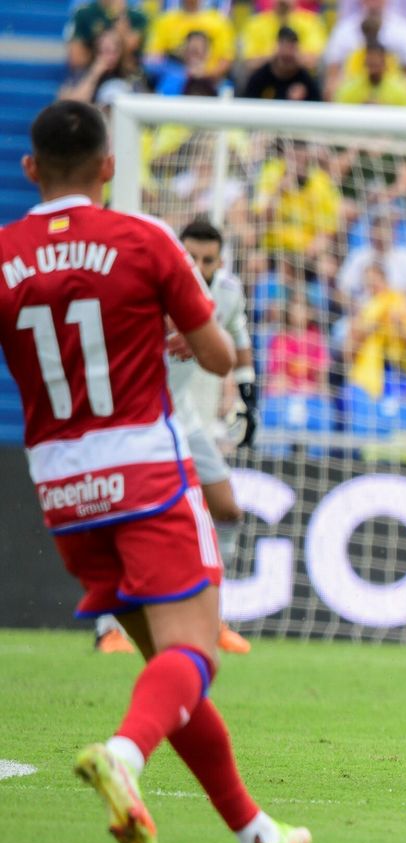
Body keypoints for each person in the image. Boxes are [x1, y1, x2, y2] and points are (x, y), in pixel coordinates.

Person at [0, 101, 309, 843]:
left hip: (61, 490)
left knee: (170, 675)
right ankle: (124, 756)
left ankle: (256, 834)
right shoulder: (144, 240)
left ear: (30, 168)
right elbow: (217, 358)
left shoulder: (4, 254)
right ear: (109, 167)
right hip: (144, 470)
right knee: (195, 654)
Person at [96, 217, 258, 656]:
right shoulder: (151, 285)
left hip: (181, 417)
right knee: (131, 519)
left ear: (219, 261)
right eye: (191, 257)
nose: (200, 266)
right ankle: (110, 628)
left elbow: (238, 335)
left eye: (208, 259)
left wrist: (246, 392)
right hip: (137, 413)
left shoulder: (227, 291)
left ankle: (213, 621)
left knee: (225, 508)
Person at [240, 27, 324, 102]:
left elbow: (317, 108)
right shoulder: (259, 77)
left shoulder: (306, 80)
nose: (287, 53)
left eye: (291, 49)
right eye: (283, 48)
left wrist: (299, 103)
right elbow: (246, 105)